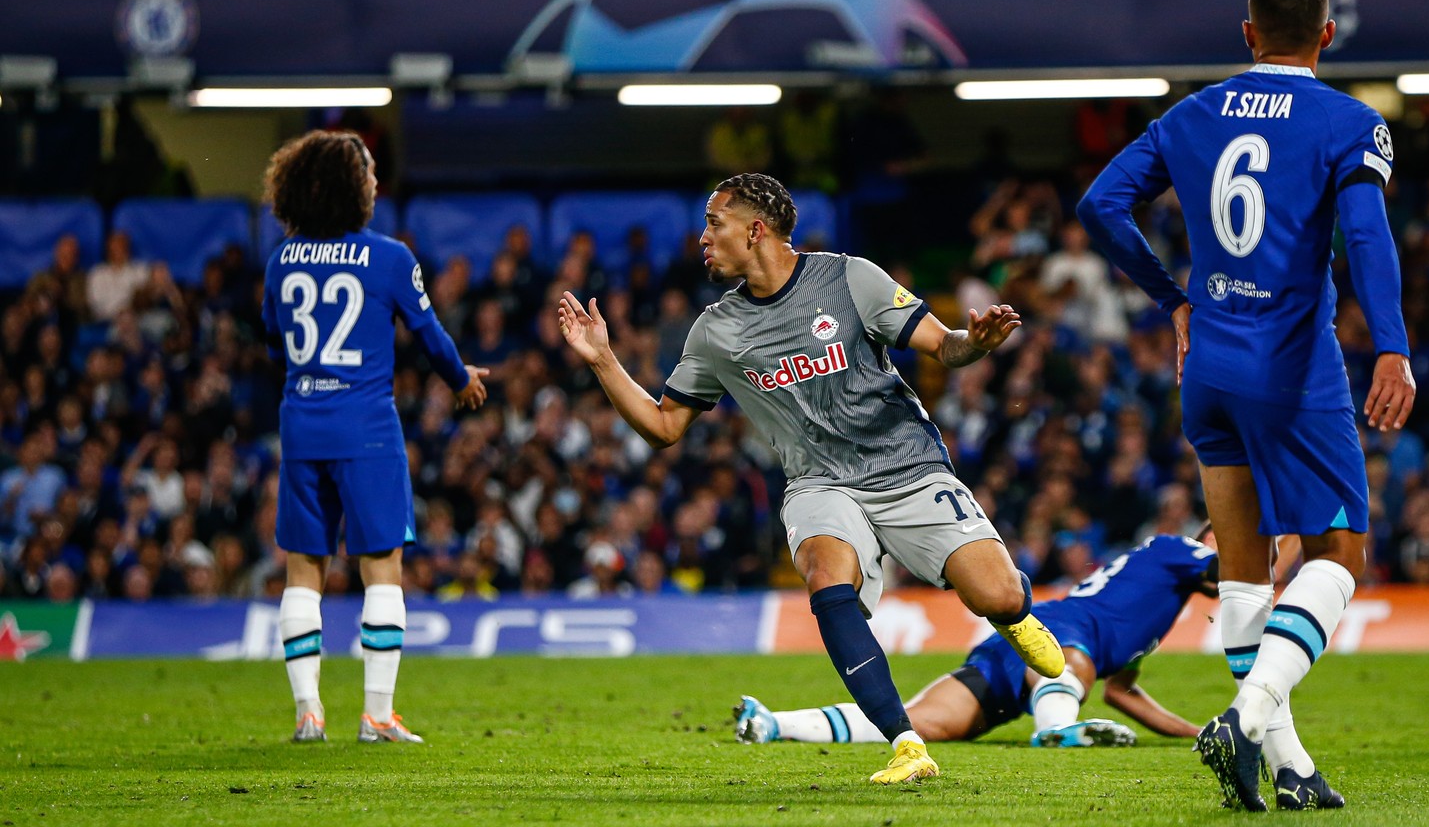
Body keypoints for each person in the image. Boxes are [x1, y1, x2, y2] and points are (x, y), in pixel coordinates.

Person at [557, 172, 1064, 785]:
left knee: (995, 595)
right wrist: (604, 361)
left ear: (756, 229)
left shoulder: (852, 278)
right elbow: (665, 427)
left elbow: (944, 347)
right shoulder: (718, 331)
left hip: (907, 466)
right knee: (827, 578)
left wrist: (974, 343)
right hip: (818, 483)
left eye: (714, 224)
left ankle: (1015, 614)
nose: (703, 238)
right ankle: (906, 743)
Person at [1076, 0, 1416, 812]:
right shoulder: (1349, 123)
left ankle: (1288, 766)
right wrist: (1393, 349)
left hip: (1210, 370)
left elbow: (1100, 205)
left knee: (1242, 574)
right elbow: (1367, 239)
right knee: (1339, 555)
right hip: (1294, 368)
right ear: (1327, 37)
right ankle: (1246, 712)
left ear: (1248, 33)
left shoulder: (1190, 114)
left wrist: (1174, 299)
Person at [261, 130, 489, 745]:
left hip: (301, 425)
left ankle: (308, 712)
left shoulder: (281, 259)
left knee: (303, 569)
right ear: (348, 187)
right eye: (366, 174)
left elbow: (271, 332)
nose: (374, 183)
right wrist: (461, 380)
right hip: (366, 430)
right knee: (380, 565)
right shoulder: (389, 257)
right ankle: (378, 714)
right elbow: (430, 334)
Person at [735, 530, 1229, 749]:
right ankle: (1056, 729)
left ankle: (773, 724)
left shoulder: (1157, 612)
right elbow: (1231, 570)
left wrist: (1196, 733)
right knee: (1071, 661)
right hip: (1055, 632)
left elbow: (1121, 691)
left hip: (1021, 655)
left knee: (919, 722)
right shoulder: (1179, 548)